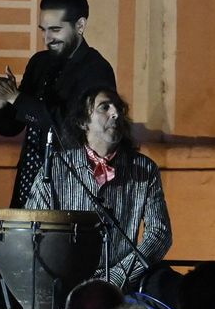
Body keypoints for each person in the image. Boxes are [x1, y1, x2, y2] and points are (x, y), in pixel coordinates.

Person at [0, 0, 118, 208]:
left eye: (55, 30)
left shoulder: (96, 70)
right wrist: (0, 105)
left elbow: (72, 129)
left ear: (80, 26)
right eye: (43, 30)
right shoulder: (39, 63)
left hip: (70, 192)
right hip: (28, 187)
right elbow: (13, 126)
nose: (47, 38)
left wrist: (16, 98)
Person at [21, 86, 171, 293]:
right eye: (104, 107)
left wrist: (118, 276)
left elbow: (159, 234)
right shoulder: (55, 167)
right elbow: (31, 229)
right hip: (65, 281)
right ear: (83, 122)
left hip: (126, 282)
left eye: (119, 108)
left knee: (170, 283)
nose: (116, 113)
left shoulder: (145, 169)